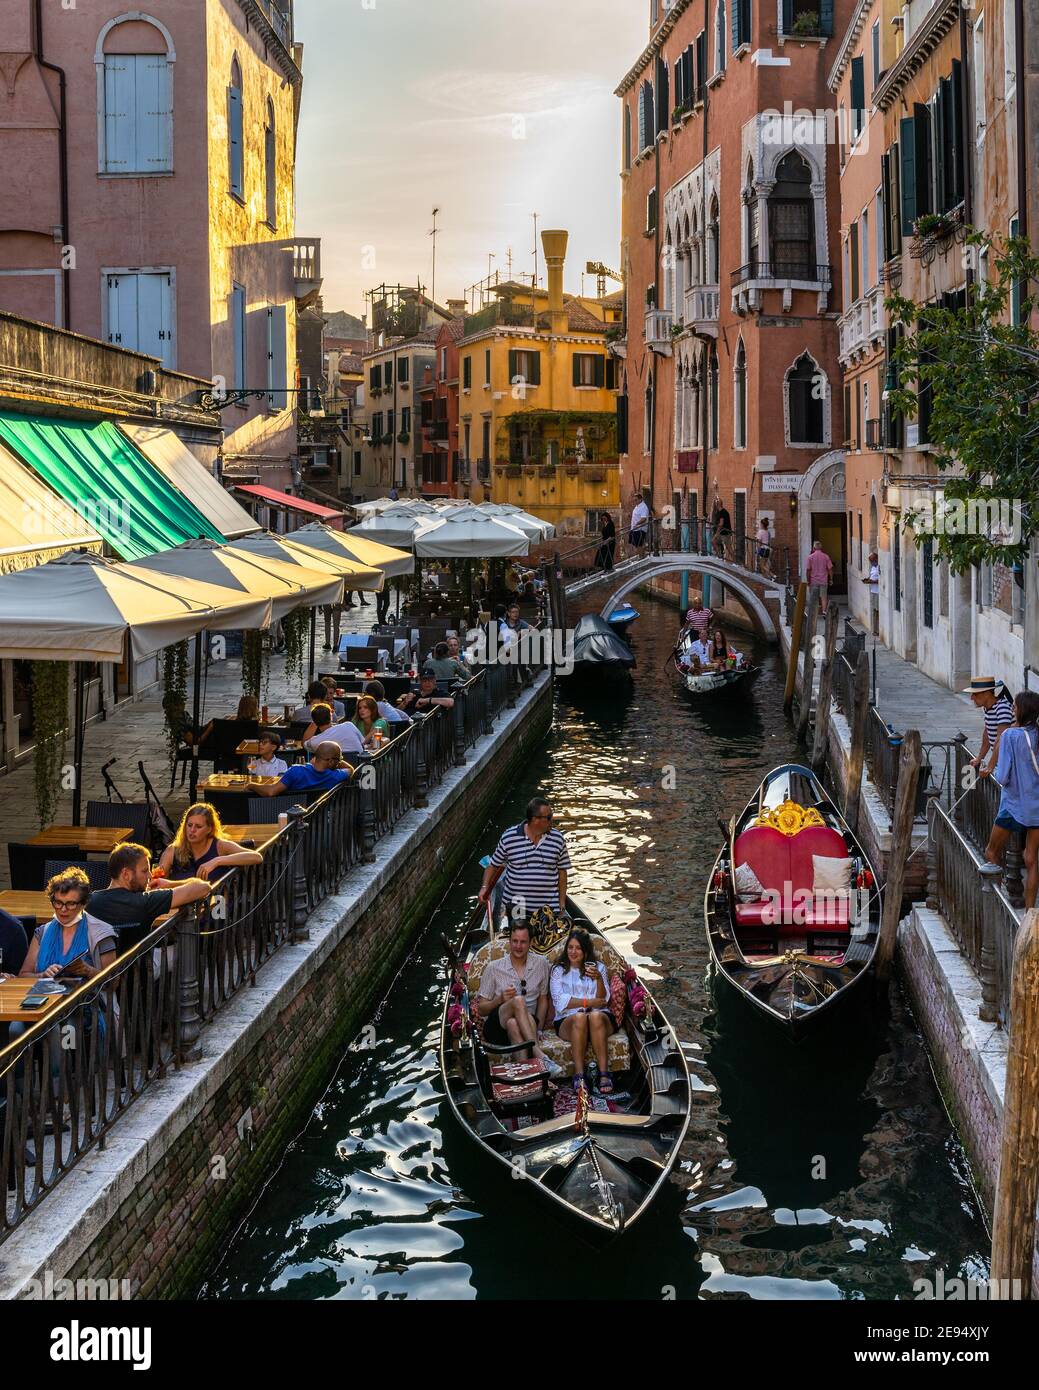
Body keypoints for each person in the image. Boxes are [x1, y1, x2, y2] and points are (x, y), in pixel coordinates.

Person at [88, 843, 213, 952]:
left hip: (101, 974)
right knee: (183, 949)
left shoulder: (90, 901)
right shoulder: (145, 901)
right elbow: (203, 887)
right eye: (144, 871)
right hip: (139, 970)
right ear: (126, 874)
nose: (149, 875)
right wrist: (171, 884)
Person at [476, 920, 561, 1074]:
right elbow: (481, 1009)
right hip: (496, 1027)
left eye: (523, 942)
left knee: (514, 1024)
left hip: (528, 1023)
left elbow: (543, 999)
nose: (518, 946)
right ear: (509, 941)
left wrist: (540, 1029)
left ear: (530, 943)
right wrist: (500, 999)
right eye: (514, 941)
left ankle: (527, 1081)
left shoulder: (541, 964)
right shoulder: (493, 968)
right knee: (518, 1000)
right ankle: (539, 1055)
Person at [985, 691, 1039, 908]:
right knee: (1031, 859)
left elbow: (1003, 775)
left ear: (1021, 710)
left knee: (992, 851)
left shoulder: (1010, 736)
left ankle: (999, 902)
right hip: (1036, 806)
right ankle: (1029, 915)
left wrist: (989, 769)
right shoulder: (1037, 734)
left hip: (1013, 805)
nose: (1012, 709)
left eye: (1014, 706)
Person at [478, 797, 571, 924]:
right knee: (519, 940)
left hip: (548, 908)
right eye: (548, 817)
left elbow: (562, 872)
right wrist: (484, 887)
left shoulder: (557, 838)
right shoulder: (509, 837)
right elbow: (493, 864)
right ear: (535, 819)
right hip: (516, 905)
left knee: (546, 941)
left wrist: (562, 904)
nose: (552, 820)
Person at [18, 869, 118, 982]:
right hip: (45, 997)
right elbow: (23, 975)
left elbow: (113, 982)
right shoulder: (42, 932)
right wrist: (42, 975)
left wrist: (88, 970)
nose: (63, 909)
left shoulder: (101, 934)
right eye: (58, 902)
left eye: (71, 904)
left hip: (86, 998)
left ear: (84, 904)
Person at [549, 928, 615, 1093]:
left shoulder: (598, 967)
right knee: (579, 1017)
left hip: (598, 1018)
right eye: (570, 947)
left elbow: (602, 1001)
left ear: (585, 951)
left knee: (594, 1016)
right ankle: (579, 1075)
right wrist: (588, 1001)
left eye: (578, 948)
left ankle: (604, 1073)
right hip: (568, 1021)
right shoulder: (558, 971)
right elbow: (560, 1003)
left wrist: (599, 979)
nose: (573, 951)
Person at [154, 804, 262, 883]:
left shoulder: (220, 846)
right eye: (189, 825)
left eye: (198, 827)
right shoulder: (172, 851)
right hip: (182, 909)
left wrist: (217, 861)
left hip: (216, 908)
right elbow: (157, 880)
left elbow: (256, 857)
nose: (192, 830)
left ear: (209, 829)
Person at [255, 741, 354, 796]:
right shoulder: (335, 776)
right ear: (332, 761)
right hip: (319, 820)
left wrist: (251, 786)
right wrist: (336, 761)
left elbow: (271, 791)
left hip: (292, 819)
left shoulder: (295, 771)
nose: (339, 762)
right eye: (339, 760)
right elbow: (350, 769)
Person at [965, 676, 1015, 779]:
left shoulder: (1002, 708)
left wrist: (990, 766)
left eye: (975, 694)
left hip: (1013, 763)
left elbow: (1002, 739)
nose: (971, 698)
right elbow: (987, 734)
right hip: (1003, 761)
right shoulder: (988, 708)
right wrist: (979, 758)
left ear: (987, 694)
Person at [805, 540, 834, 614]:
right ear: (821, 548)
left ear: (813, 548)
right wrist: (831, 579)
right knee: (823, 597)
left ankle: (814, 612)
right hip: (823, 580)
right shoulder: (826, 556)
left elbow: (808, 570)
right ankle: (824, 611)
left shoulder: (810, 557)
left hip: (813, 581)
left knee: (814, 597)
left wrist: (808, 580)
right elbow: (830, 569)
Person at [864, 551, 880, 635]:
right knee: (874, 610)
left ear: (876, 558)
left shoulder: (879, 567)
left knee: (877, 611)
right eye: (870, 560)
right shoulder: (873, 567)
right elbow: (872, 577)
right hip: (873, 591)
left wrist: (873, 581)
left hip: (878, 591)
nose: (871, 562)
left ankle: (877, 630)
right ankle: (875, 629)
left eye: (872, 560)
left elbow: (882, 580)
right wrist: (868, 580)